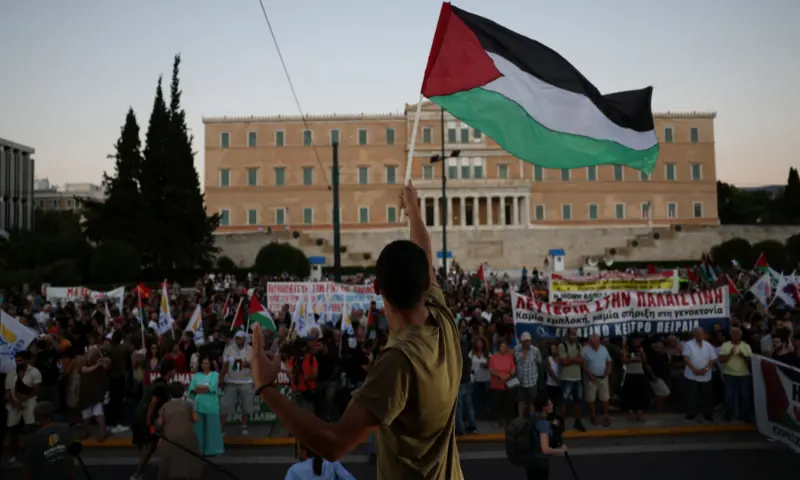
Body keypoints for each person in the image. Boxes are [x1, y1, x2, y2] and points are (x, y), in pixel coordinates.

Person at [250, 181, 463, 479]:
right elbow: (425, 257)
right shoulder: (443, 320)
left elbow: (334, 444)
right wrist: (414, 211)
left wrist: (266, 388)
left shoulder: (399, 362)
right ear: (426, 284)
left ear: (376, 289)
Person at [130, 358, 176, 480]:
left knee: (144, 449)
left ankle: (140, 471)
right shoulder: (162, 387)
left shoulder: (156, 382)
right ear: (171, 371)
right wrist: (149, 424)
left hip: (137, 417)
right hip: (145, 420)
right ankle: (136, 474)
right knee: (149, 448)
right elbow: (152, 405)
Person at [157, 383, 203, 480]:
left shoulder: (165, 406)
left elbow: (160, 423)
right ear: (183, 393)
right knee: (188, 457)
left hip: (170, 437)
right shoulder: (188, 405)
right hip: (187, 435)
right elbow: (196, 419)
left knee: (171, 458)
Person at [22, 401, 74, 480]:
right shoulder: (66, 429)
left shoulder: (34, 438)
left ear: (36, 417)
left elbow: (28, 467)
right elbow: (70, 456)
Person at [188, 355, 224, 456]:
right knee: (198, 430)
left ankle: (214, 451)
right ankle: (200, 450)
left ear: (210, 364)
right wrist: (203, 388)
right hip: (199, 406)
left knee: (213, 430)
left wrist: (200, 388)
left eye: (207, 363)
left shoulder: (214, 375)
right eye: (203, 363)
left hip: (211, 406)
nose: (205, 365)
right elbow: (192, 389)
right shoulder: (197, 376)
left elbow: (211, 388)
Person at [526, 396, 568, 480]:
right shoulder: (543, 424)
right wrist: (561, 450)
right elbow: (545, 449)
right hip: (540, 462)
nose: (551, 405)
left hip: (530, 460)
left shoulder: (533, 417)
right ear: (543, 407)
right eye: (549, 404)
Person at [221, 330, 253, 435]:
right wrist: (221, 378)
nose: (238, 340)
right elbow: (225, 365)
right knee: (225, 406)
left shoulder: (251, 350)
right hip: (231, 381)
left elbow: (256, 366)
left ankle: (244, 425)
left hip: (246, 381)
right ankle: (221, 428)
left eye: (240, 338)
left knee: (246, 406)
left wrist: (248, 364)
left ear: (244, 339)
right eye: (237, 338)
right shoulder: (229, 349)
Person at [284, 444, 356, 480]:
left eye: (299, 449)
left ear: (304, 451)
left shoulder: (294, 470)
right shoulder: (332, 464)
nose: (298, 452)